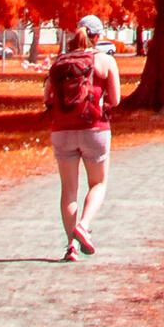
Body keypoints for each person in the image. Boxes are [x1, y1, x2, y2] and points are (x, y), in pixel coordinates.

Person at [43, 17, 120, 257]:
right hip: (94, 129)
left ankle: (71, 247)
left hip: (62, 130)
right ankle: (84, 226)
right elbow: (115, 99)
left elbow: (47, 98)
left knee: (68, 189)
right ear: (97, 36)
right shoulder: (105, 61)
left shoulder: (59, 63)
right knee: (98, 183)